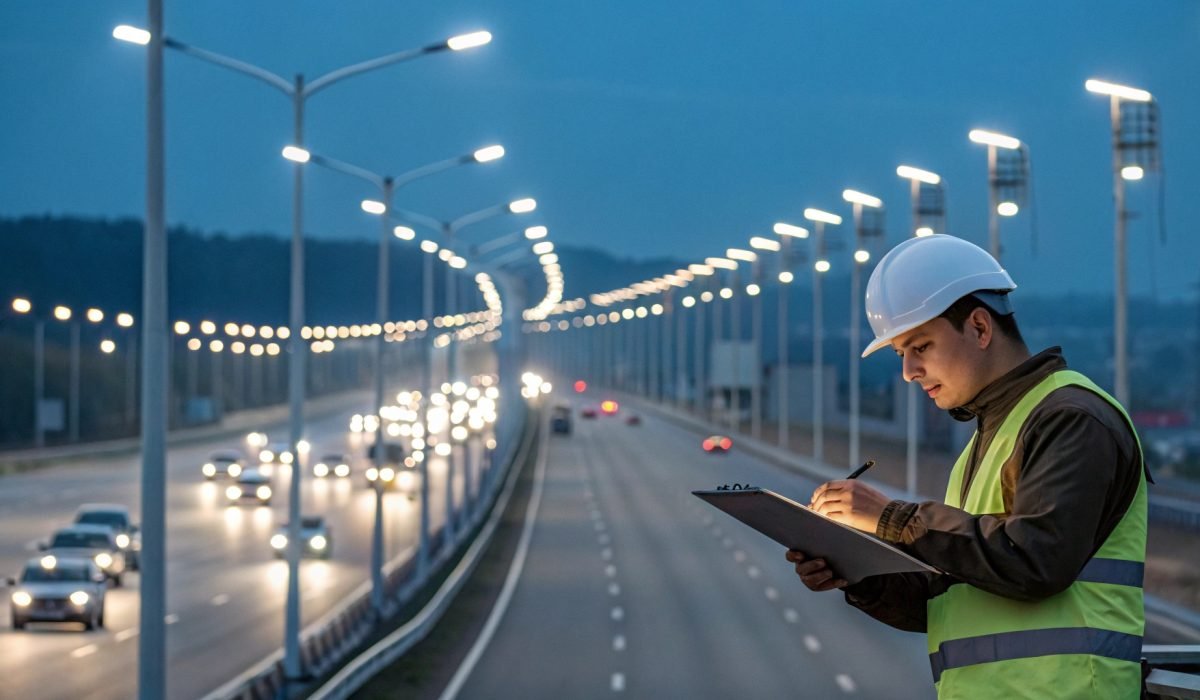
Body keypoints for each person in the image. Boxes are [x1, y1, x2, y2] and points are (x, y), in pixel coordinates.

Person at [785, 234, 1149, 699]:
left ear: (979, 328)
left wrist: (892, 518)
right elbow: (952, 599)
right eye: (901, 355)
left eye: (920, 347)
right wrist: (855, 572)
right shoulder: (989, 438)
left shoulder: (1071, 419)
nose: (908, 372)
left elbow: (1034, 562)